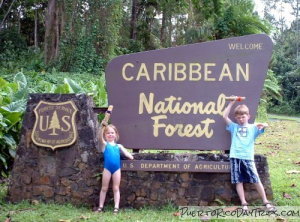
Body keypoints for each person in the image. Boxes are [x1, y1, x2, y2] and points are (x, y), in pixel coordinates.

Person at [223, 99, 275, 211]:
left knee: (256, 179)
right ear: (236, 118)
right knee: (238, 180)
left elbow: (265, 125)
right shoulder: (234, 127)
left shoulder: (253, 128)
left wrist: (263, 125)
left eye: (243, 117)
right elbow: (224, 116)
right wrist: (231, 103)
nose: (241, 119)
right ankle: (244, 203)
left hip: (248, 157)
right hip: (235, 157)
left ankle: (265, 201)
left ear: (248, 116)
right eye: (238, 117)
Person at [96, 122, 134, 214]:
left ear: (116, 134)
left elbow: (128, 154)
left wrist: (130, 156)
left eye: (112, 133)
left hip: (117, 169)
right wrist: (102, 128)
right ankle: (100, 207)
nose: (110, 134)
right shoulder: (105, 145)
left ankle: (116, 207)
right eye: (108, 133)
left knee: (116, 188)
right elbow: (100, 138)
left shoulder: (119, 146)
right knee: (104, 188)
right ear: (105, 135)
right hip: (107, 169)